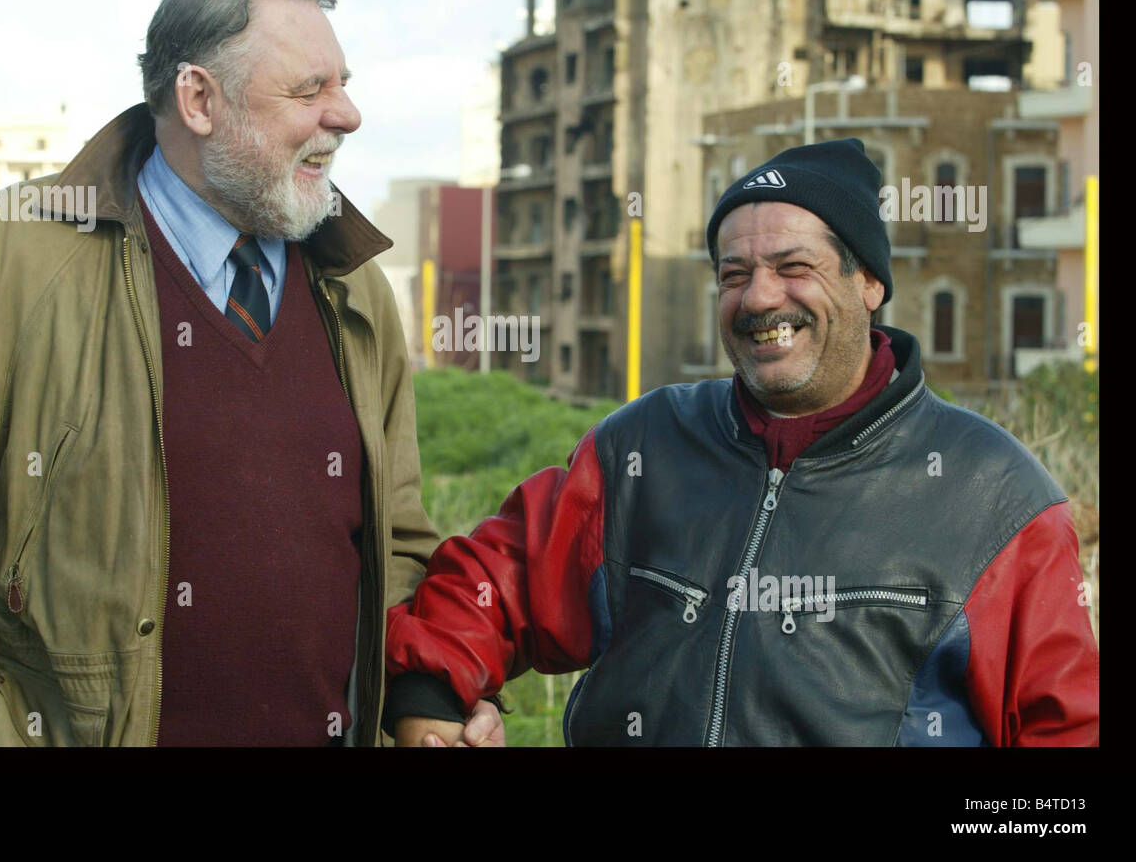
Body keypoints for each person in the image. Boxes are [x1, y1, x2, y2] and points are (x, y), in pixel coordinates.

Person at [0, 0, 502, 747]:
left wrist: (428, 697)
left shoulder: (355, 287)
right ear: (199, 98)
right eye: (310, 90)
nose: (347, 114)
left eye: (343, 82)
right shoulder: (18, 255)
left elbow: (395, 542)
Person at [385, 137, 1099, 746]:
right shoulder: (643, 446)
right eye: (734, 274)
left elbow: (1066, 738)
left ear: (870, 281)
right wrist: (431, 696)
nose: (759, 298)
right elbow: (500, 579)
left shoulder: (995, 495)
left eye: (793, 267)